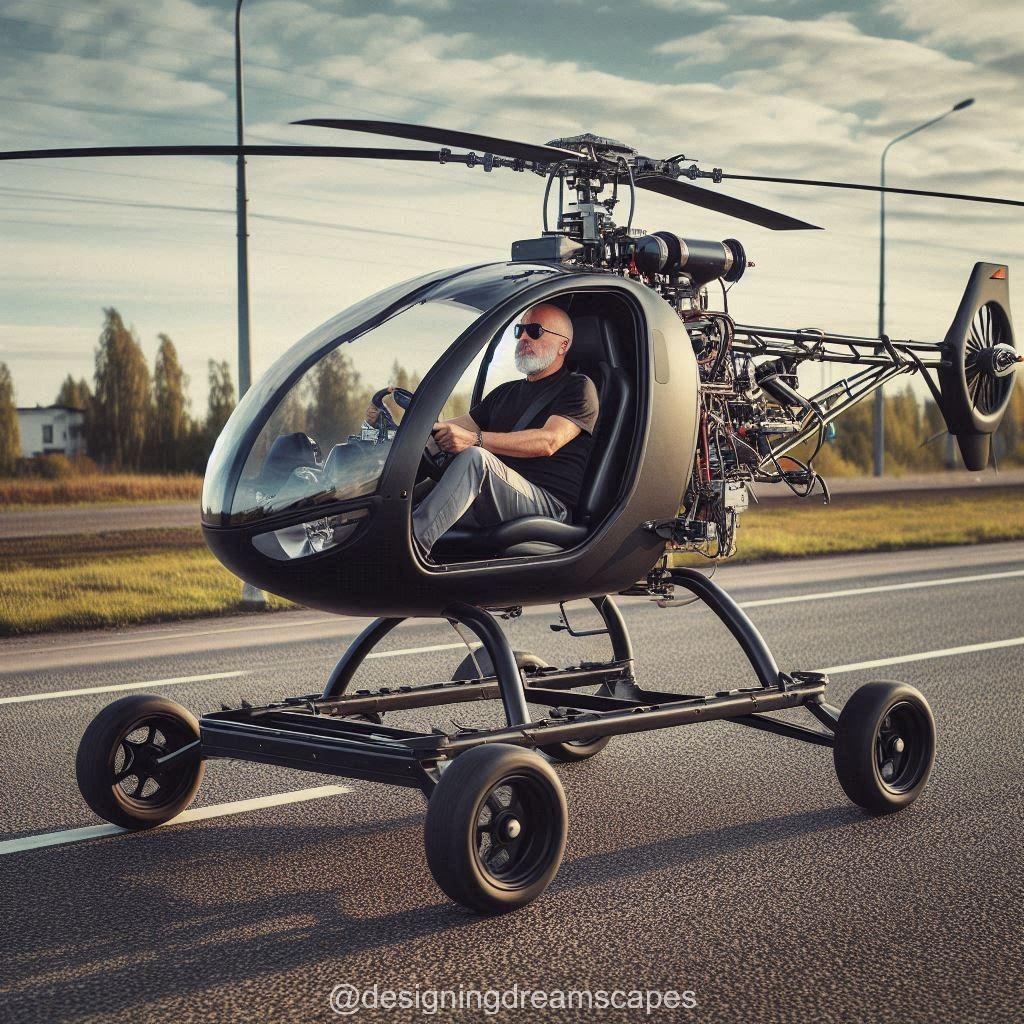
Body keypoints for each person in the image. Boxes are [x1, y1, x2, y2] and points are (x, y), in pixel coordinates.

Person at [410, 302, 599, 559]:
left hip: (547, 504)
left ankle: (407, 551)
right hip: (500, 495)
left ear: (563, 345)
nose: (523, 337)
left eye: (535, 331)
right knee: (422, 456)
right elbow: (449, 428)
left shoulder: (578, 388)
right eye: (519, 330)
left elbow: (549, 440)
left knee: (476, 459)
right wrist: (401, 432)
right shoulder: (504, 392)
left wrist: (476, 440)